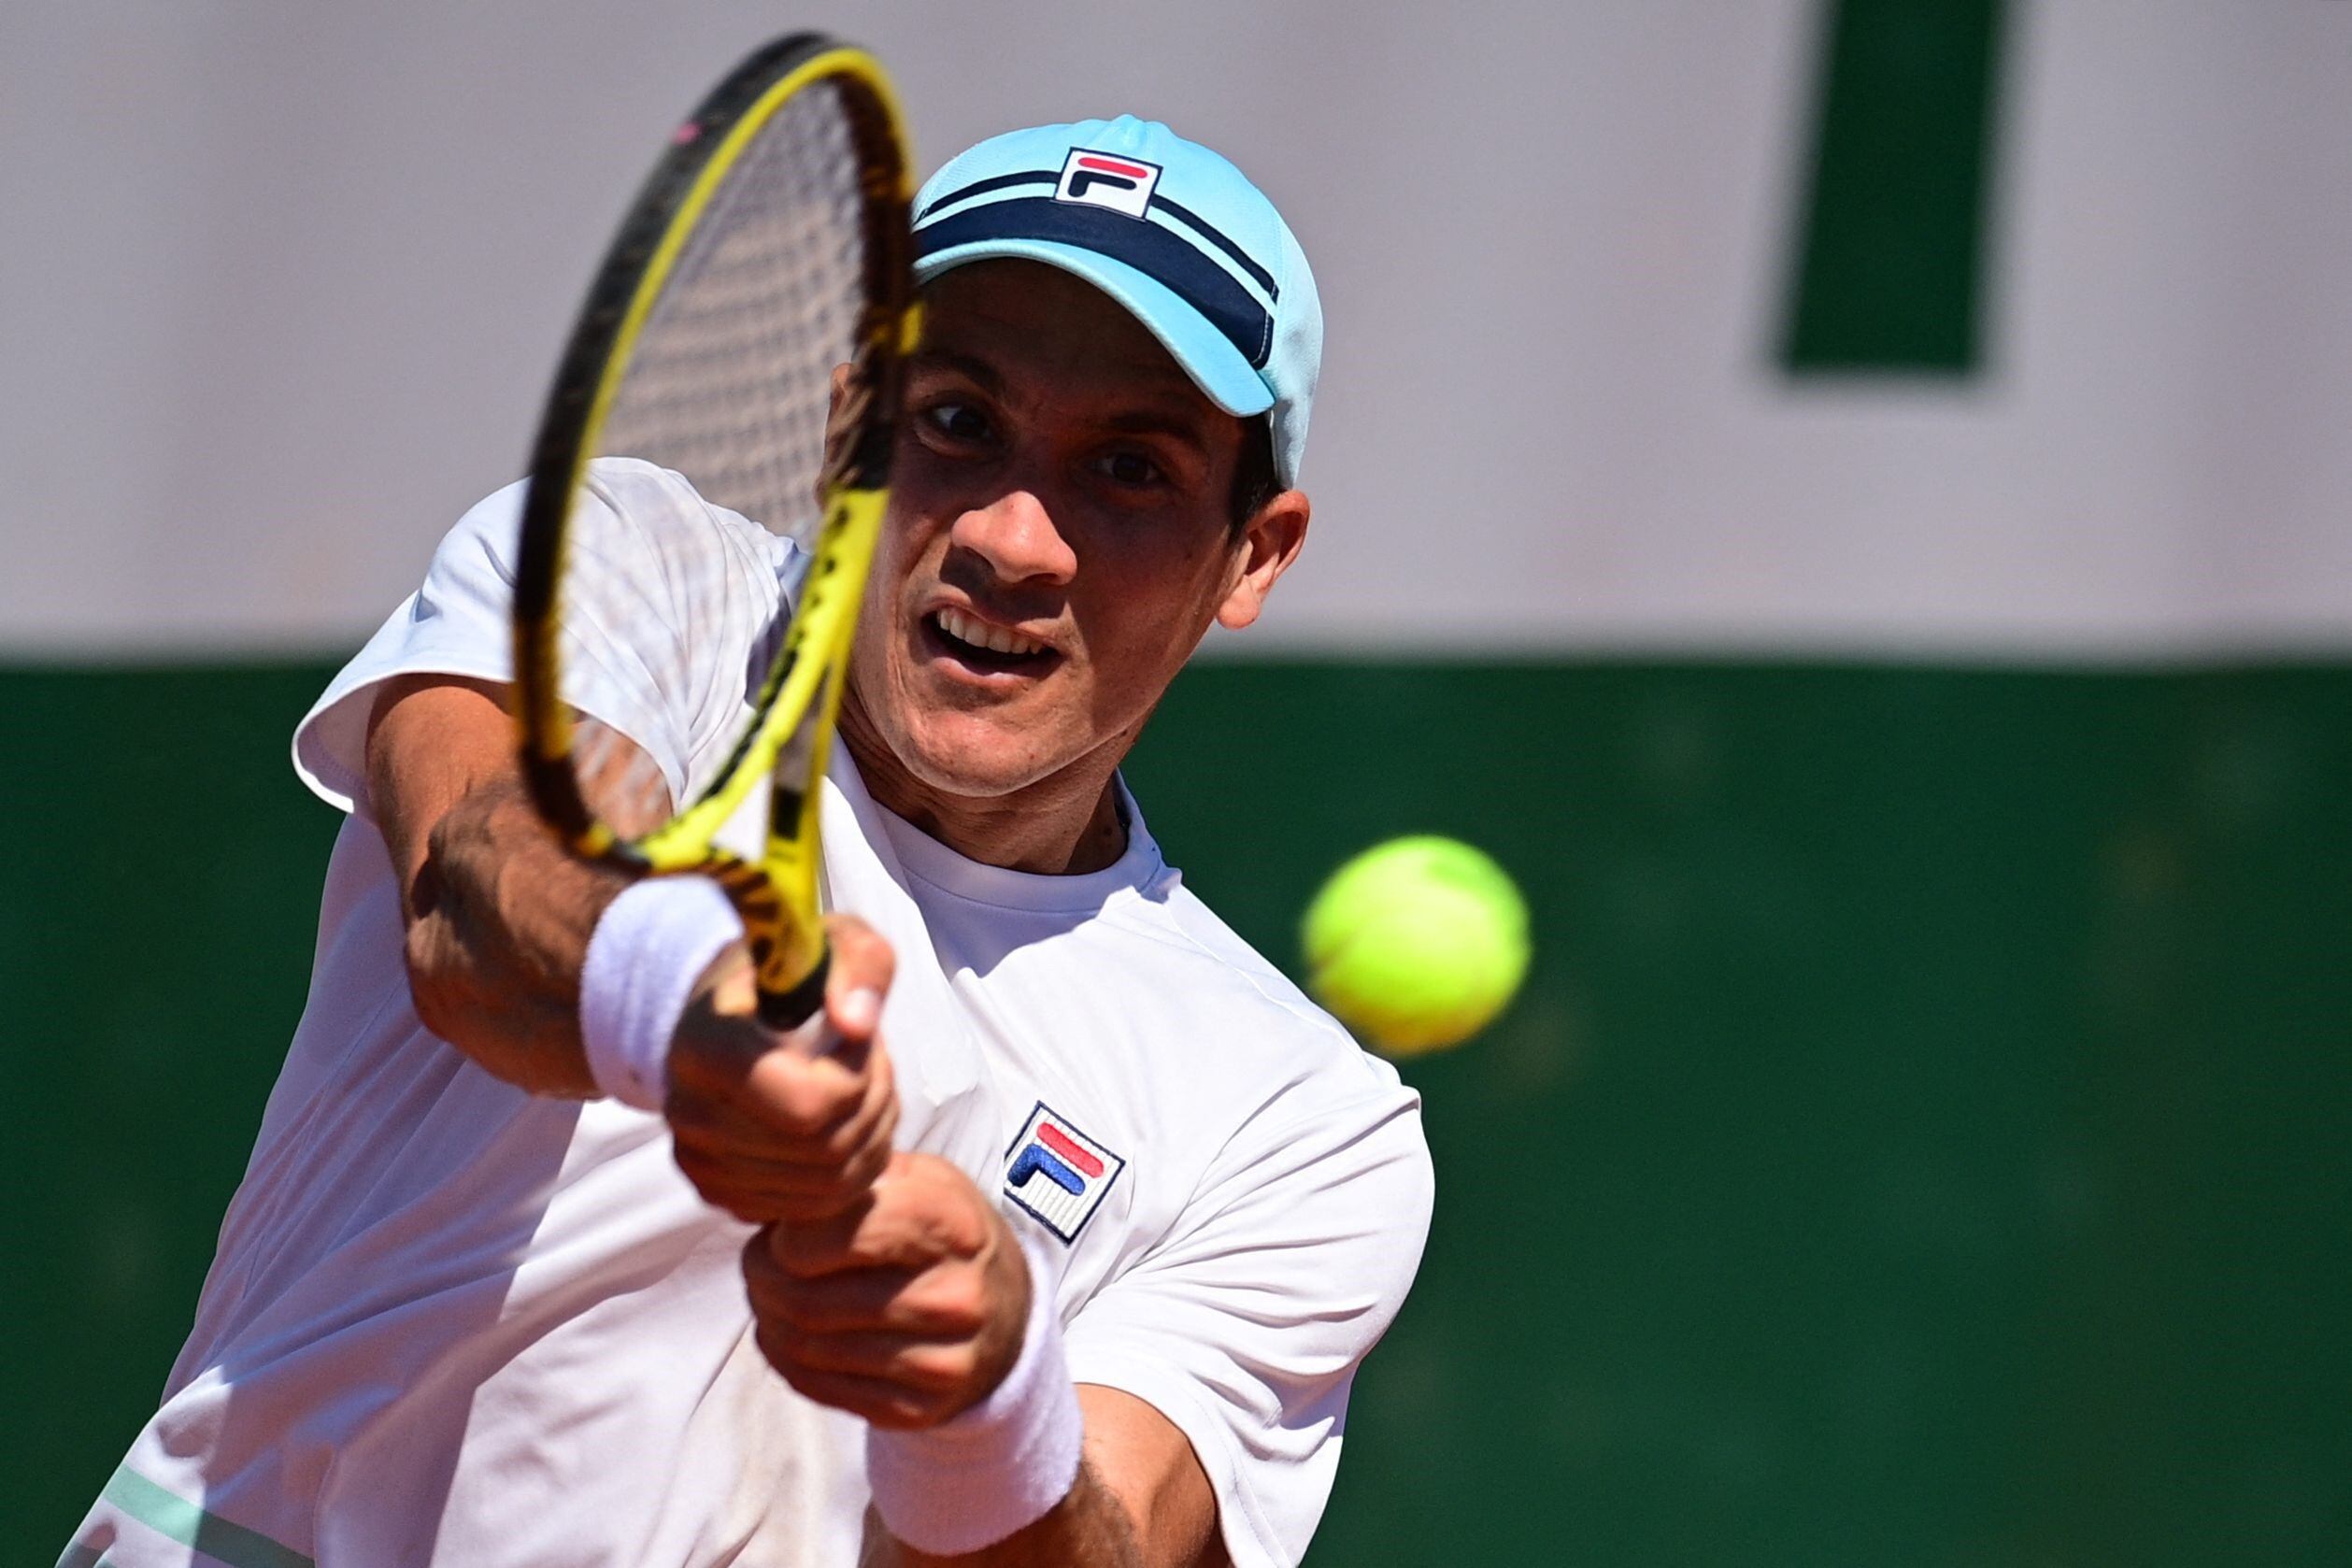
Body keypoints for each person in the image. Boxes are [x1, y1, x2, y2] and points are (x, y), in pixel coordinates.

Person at [64, 116, 1433, 1568]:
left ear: (1254, 552)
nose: (1016, 539)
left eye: (1131, 470)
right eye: (959, 423)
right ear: (848, 430)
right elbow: (478, 885)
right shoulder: (631, 570)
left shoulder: (1302, 1129)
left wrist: (983, 1398)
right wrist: (688, 1011)